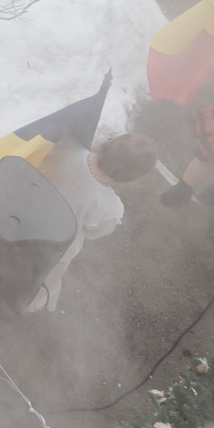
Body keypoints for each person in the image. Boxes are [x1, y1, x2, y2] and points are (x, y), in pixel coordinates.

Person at [31, 133, 156, 312]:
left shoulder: (68, 146)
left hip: (22, 214)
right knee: (40, 279)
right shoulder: (110, 208)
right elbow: (92, 233)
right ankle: (25, 303)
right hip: (51, 250)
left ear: (111, 143)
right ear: (130, 176)